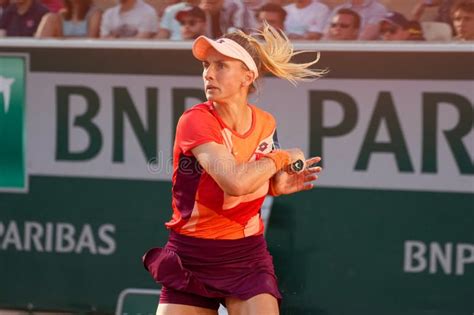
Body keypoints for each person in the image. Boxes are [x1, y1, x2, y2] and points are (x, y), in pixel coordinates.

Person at [143, 23, 324, 315]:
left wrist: (274, 186)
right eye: (206, 65)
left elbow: (253, 181)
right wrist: (282, 158)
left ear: (247, 76)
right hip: (191, 254)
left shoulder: (266, 123)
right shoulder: (195, 120)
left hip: (245, 255)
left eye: (221, 65)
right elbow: (235, 183)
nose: (208, 73)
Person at [35, 0, 102, 38]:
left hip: (83, 56)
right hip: (61, 55)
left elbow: (90, 44)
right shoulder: (60, 17)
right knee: (49, 18)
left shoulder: (94, 14)